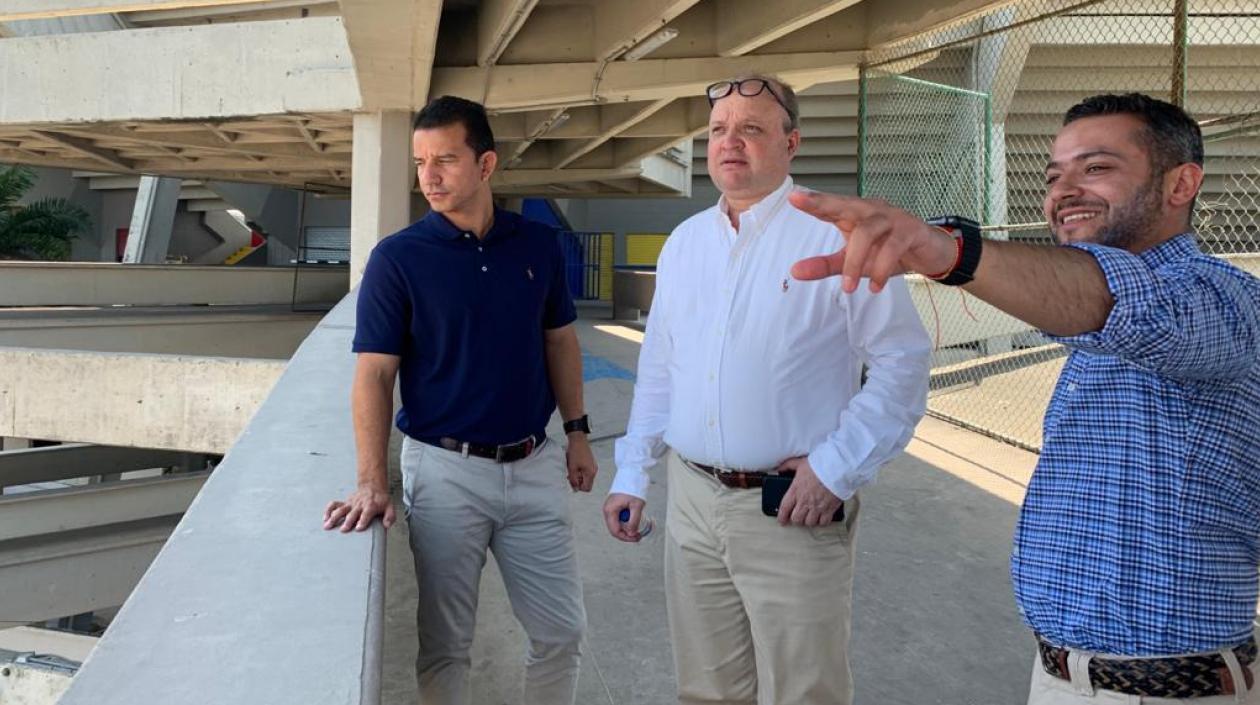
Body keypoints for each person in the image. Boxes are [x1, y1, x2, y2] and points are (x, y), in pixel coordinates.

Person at [790, 93, 1259, 703]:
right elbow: (1086, 301)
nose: (1065, 190)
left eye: (1096, 168)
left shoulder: (1226, 301)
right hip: (1066, 676)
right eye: (1054, 175)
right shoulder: (1090, 322)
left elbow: (1132, 309)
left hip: (1166, 689)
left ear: (1181, 183)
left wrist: (948, 252)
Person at [602, 74, 932, 705]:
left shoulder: (836, 234)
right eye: (719, 129)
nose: (731, 142)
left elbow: (902, 362)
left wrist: (834, 470)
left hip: (788, 510)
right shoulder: (685, 244)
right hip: (693, 502)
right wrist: (633, 474)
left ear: (791, 143)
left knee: (804, 691)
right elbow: (662, 367)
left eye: (752, 128)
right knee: (705, 690)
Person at [321, 95, 597, 705]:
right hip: (446, 473)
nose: (430, 176)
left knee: (562, 632)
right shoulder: (398, 259)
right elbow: (373, 375)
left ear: (487, 163)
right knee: (446, 645)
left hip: (535, 468)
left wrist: (577, 431)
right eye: (421, 162)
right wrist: (372, 480)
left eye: (445, 159)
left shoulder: (538, 246)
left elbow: (559, 340)